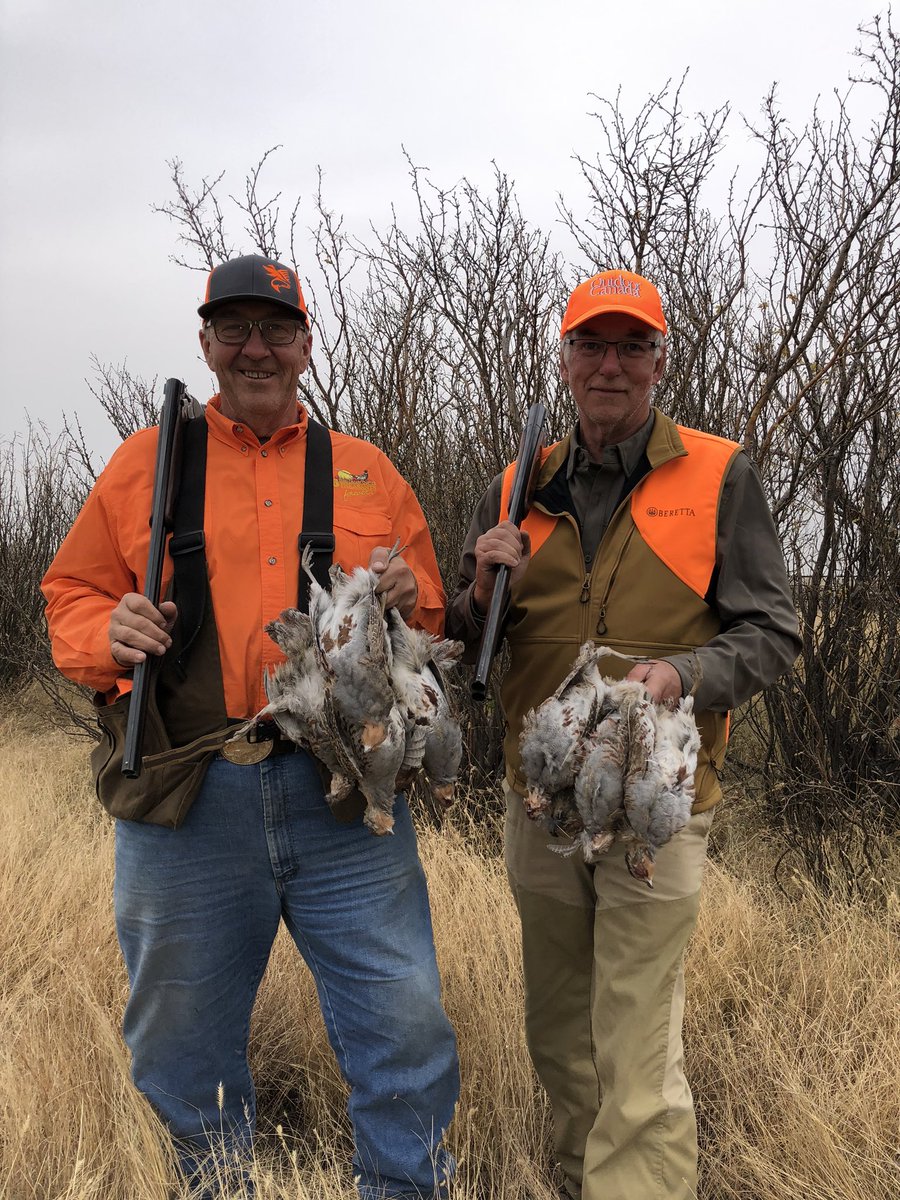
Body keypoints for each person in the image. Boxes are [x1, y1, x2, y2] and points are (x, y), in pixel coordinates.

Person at [42, 254, 459, 1199]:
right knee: (180, 1043)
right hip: (193, 790)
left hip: (346, 796)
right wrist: (106, 630)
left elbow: (428, 617)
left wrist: (409, 593)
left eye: (276, 329)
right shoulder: (147, 463)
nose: (255, 348)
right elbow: (69, 591)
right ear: (205, 344)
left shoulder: (366, 471)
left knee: (405, 1025)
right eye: (234, 329)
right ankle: (213, 1186)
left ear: (308, 344)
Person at [446, 269, 800, 1200]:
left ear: (658, 361)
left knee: (635, 1034)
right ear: (563, 360)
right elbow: (472, 640)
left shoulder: (721, 474)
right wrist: (482, 589)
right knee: (560, 1030)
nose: (610, 364)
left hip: (656, 805)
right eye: (591, 345)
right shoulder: (517, 482)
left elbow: (772, 628)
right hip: (542, 794)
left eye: (631, 346)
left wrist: (684, 676)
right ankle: (581, 1183)